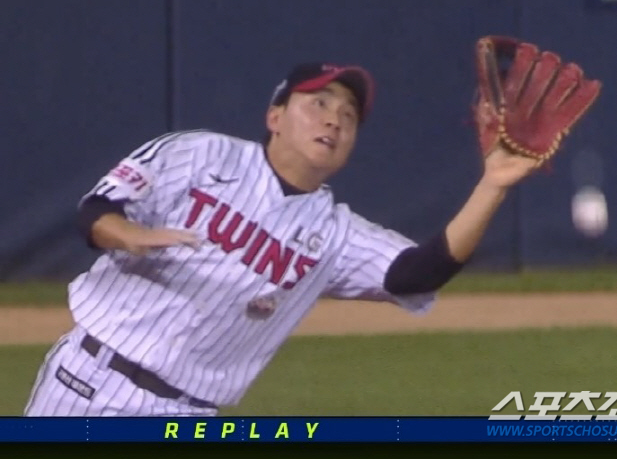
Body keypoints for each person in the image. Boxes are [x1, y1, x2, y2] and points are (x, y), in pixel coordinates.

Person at [24, 62, 540, 416]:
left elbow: (420, 271)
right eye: (319, 103)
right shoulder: (202, 156)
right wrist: (128, 236)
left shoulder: (334, 234)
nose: (335, 119)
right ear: (274, 117)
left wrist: (491, 186)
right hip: (88, 386)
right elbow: (96, 211)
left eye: (349, 116)